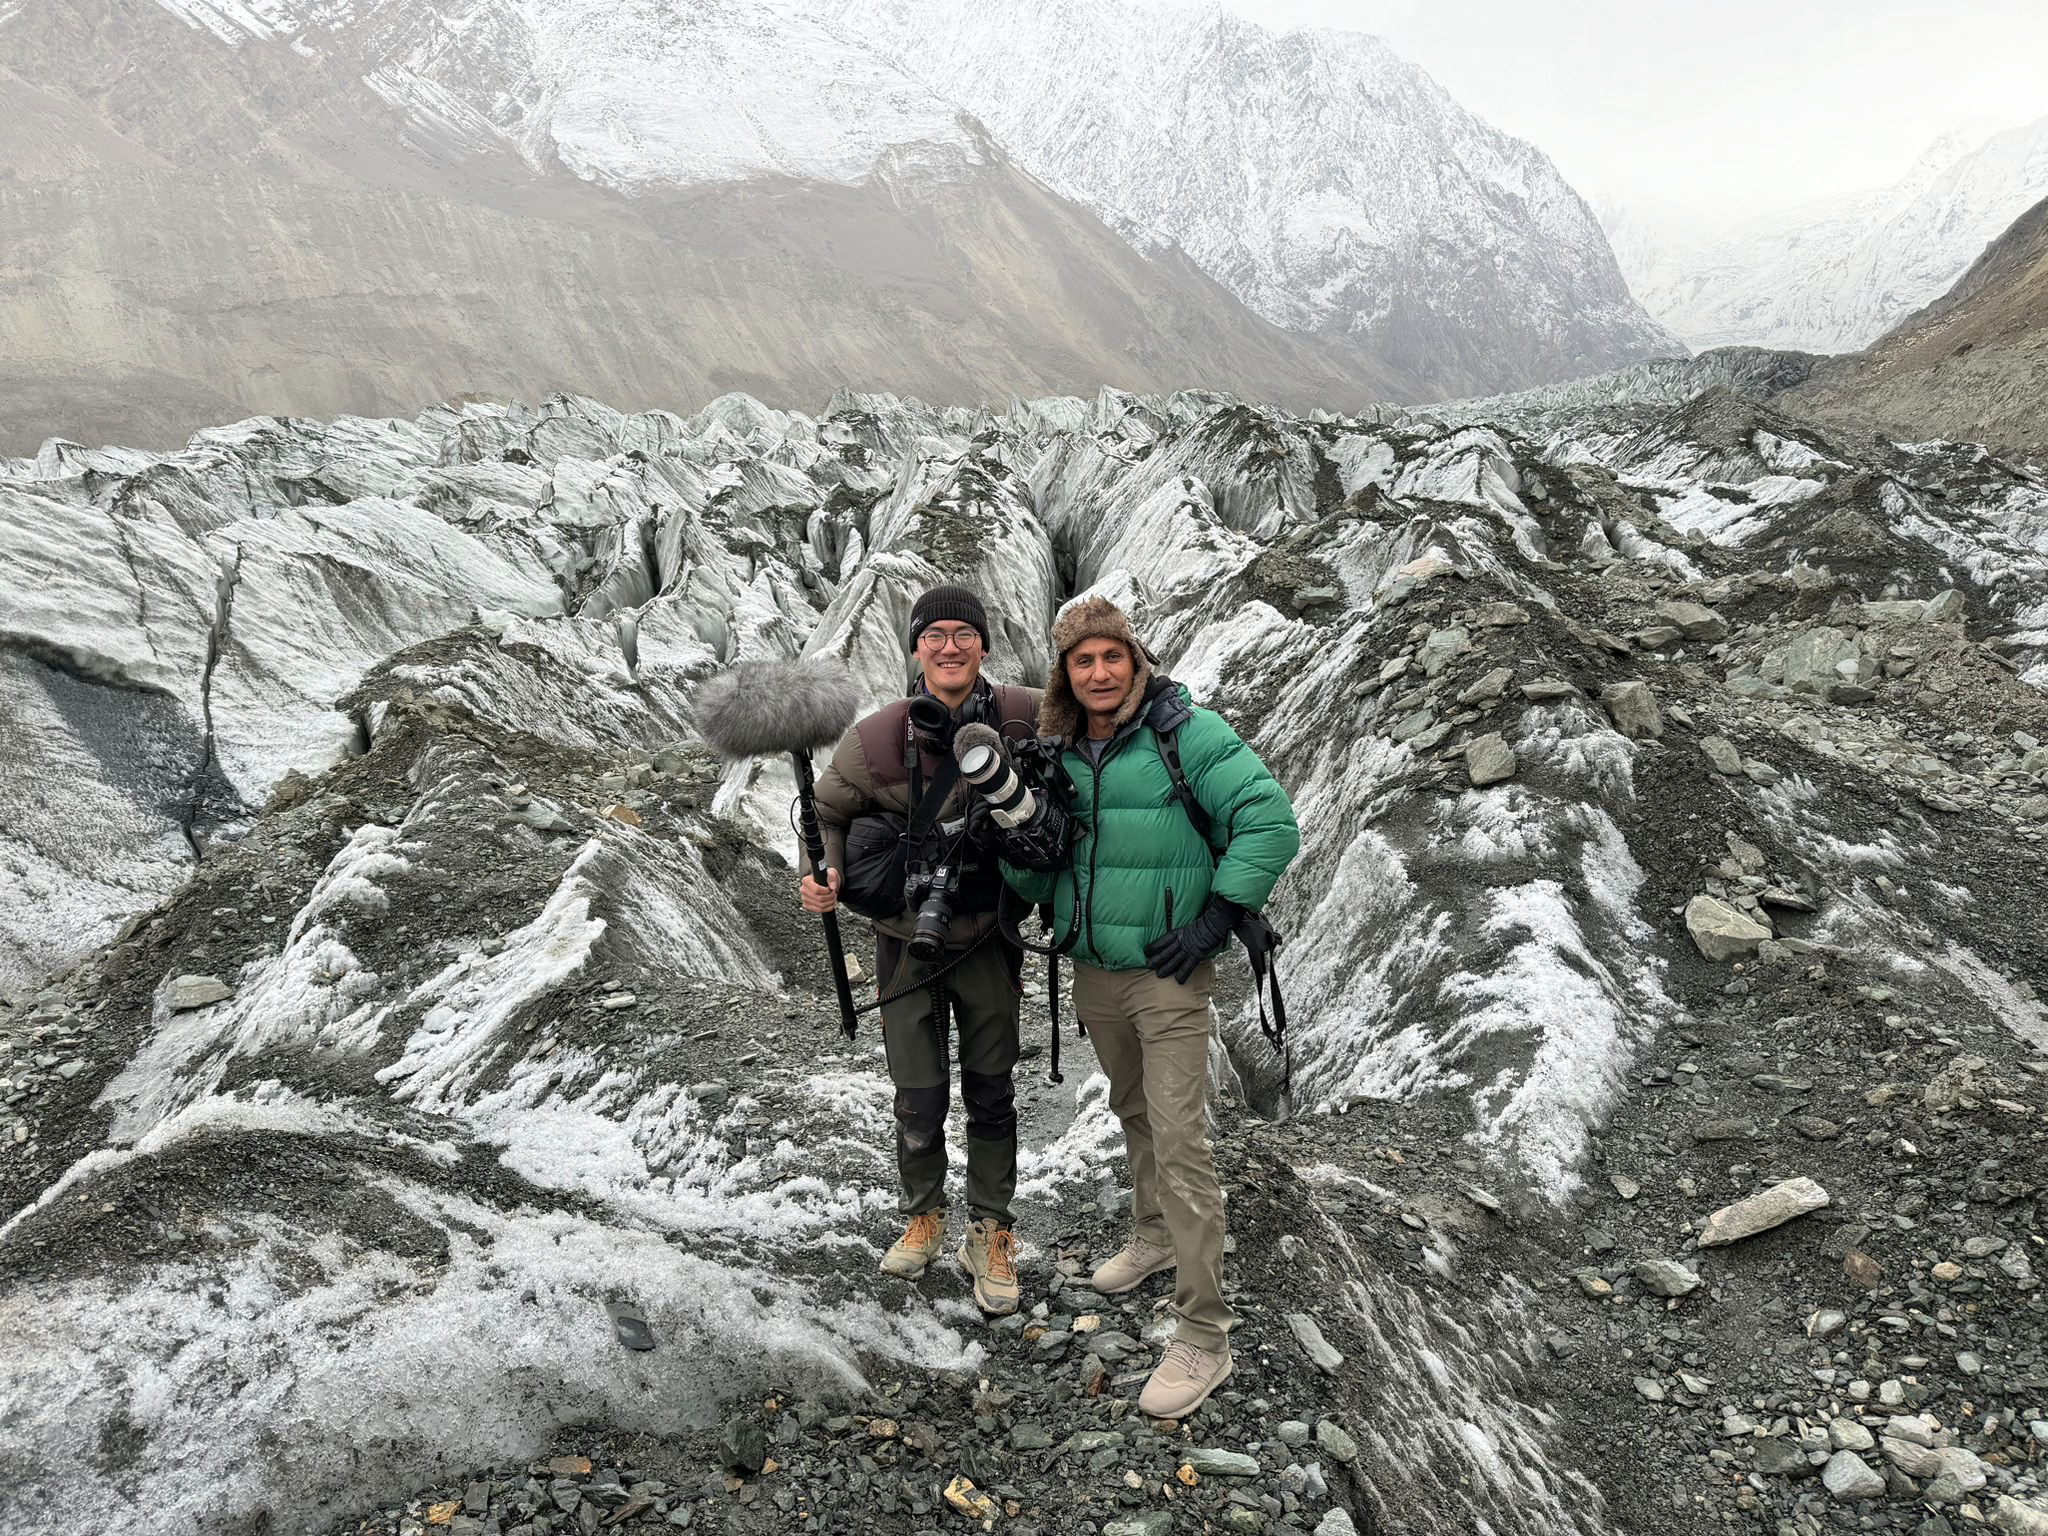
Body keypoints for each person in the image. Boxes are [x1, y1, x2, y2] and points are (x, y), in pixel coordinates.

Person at [997, 595, 1299, 1418]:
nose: (1099, 673)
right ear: (1065, 673)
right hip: (1092, 971)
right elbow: (1043, 870)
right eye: (1082, 661)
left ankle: (1204, 1335)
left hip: (1169, 973)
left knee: (1181, 1137)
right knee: (1132, 1111)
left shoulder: (1185, 734)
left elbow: (1270, 819)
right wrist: (1013, 839)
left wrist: (1215, 918)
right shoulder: (1056, 751)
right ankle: (1154, 1234)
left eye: (1111, 657)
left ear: (1136, 660)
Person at [799, 585, 1039, 1316]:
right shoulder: (875, 738)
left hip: (989, 936)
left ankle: (991, 1230)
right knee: (917, 1094)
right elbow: (827, 813)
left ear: (984, 645)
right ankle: (925, 1214)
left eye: (963, 633)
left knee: (991, 1092)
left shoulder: (1028, 717)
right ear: (914, 648)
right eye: (933, 634)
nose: (948, 646)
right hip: (905, 942)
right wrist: (821, 873)